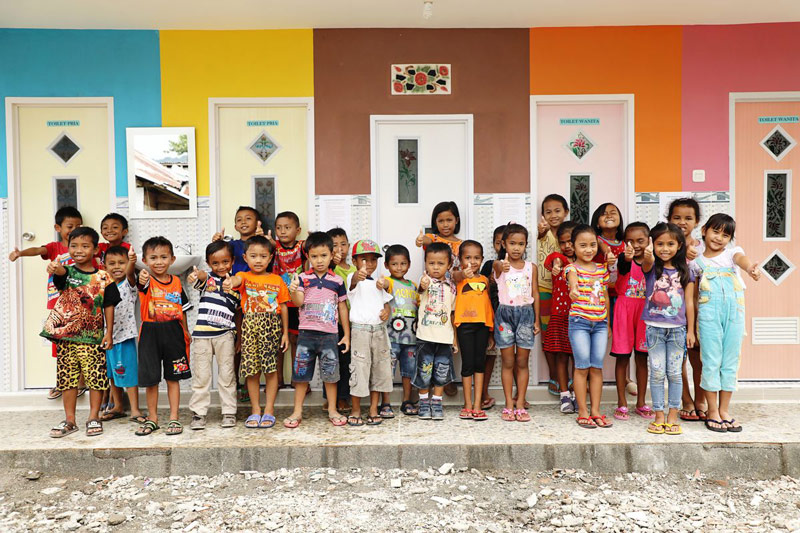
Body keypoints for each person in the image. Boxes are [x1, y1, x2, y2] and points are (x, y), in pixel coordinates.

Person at [40, 227, 120, 438]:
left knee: (96, 378)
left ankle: (93, 417)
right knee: (67, 379)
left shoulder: (104, 278)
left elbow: (109, 306)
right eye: (74, 246)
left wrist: (108, 333)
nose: (78, 250)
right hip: (66, 338)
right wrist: (54, 267)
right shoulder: (67, 272)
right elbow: (59, 274)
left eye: (85, 246)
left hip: (93, 339)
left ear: (95, 250)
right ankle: (70, 420)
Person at [8, 205, 85, 400]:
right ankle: (63, 381)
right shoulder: (55, 248)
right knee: (60, 345)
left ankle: (82, 383)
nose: (74, 230)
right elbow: (38, 249)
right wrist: (20, 253)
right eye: (69, 226)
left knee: (82, 343)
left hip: (79, 304)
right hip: (57, 305)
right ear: (58, 228)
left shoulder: (84, 248)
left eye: (78, 226)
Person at [694, 214, 760, 433]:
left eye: (725, 235)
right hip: (708, 316)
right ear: (704, 230)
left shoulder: (732, 254)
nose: (719, 238)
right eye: (715, 231)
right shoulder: (696, 262)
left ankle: (724, 411)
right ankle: (712, 411)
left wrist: (750, 268)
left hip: (734, 314)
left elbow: (743, 260)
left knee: (731, 361)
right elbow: (692, 296)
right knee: (711, 361)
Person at [285, 232, 350, 428]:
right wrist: (293, 290)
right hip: (306, 334)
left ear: (332, 255)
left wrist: (346, 334)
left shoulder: (337, 281)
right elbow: (299, 302)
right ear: (308, 257)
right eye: (314, 256)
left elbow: (342, 307)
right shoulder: (303, 278)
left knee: (330, 375)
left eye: (323, 255)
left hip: (330, 335)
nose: (319, 260)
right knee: (301, 375)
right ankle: (297, 411)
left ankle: (332, 409)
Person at [225, 236, 290, 430]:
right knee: (251, 371)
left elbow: (284, 307)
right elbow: (236, 280)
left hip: (272, 327)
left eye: (263, 256)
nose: (258, 260)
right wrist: (230, 281)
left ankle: (269, 409)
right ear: (245, 258)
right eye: (253, 256)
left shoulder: (277, 280)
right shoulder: (244, 277)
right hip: (250, 328)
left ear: (271, 258)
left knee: (271, 370)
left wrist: (286, 333)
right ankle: (255, 409)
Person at [641, 223, 696, 435]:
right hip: (654, 329)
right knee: (656, 373)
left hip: (677, 330)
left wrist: (690, 330)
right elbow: (647, 261)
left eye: (670, 244)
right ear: (652, 245)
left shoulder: (687, 270)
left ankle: (673, 415)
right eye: (659, 244)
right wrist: (647, 252)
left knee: (674, 373)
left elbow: (689, 303)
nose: (665, 248)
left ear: (679, 245)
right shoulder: (652, 267)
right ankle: (658, 416)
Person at [135, 237, 192, 436]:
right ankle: (153, 419)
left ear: (172, 259)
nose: (159, 262)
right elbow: (138, 283)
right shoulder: (145, 280)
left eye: (163, 257)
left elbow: (182, 309)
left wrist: (185, 331)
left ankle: (174, 418)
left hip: (174, 333)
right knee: (151, 380)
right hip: (150, 333)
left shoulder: (176, 282)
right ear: (145, 260)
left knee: (173, 378)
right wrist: (141, 278)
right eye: (153, 258)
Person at [186, 241, 241, 430]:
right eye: (215, 263)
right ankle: (199, 414)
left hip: (225, 335)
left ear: (233, 261)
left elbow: (239, 313)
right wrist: (196, 274)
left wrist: (239, 338)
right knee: (202, 376)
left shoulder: (236, 283)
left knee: (227, 375)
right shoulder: (207, 280)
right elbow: (199, 276)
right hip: (202, 336)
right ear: (209, 264)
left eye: (225, 261)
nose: (221, 266)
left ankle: (229, 412)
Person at [565, 224, 612, 429]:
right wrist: (573, 290)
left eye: (592, 245)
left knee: (596, 366)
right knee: (582, 365)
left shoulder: (602, 269)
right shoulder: (571, 268)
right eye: (582, 245)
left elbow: (606, 297)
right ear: (573, 247)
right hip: (579, 323)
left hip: (600, 324)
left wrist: (607, 323)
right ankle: (583, 410)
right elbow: (572, 282)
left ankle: (596, 411)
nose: (588, 249)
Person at [493, 223, 540, 422]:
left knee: (522, 361)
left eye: (521, 244)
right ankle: (508, 403)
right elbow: (496, 269)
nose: (516, 248)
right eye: (512, 243)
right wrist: (499, 266)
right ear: (503, 244)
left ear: (526, 245)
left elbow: (534, 293)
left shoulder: (531, 268)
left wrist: (537, 320)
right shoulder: (499, 265)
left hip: (526, 315)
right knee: (508, 361)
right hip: (505, 315)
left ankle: (520, 402)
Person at [345, 240, 394, 426]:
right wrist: (358, 275)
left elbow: (386, 303)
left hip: (379, 331)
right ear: (355, 260)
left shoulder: (378, 282)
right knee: (359, 369)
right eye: (364, 259)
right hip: (360, 331)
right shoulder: (353, 278)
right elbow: (354, 282)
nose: (369, 264)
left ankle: (374, 408)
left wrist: (387, 310)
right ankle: (356, 409)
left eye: (373, 260)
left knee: (379, 369)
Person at [667, 197, 706, 422]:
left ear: (697, 221)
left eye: (688, 218)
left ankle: (700, 399)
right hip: (671, 312)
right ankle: (686, 400)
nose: (682, 222)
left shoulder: (703, 247)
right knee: (676, 359)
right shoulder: (666, 244)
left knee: (698, 357)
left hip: (698, 310)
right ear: (669, 219)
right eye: (677, 217)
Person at [610, 222, 654, 421]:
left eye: (640, 241)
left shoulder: (652, 261)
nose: (635, 245)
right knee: (622, 357)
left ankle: (642, 402)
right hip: (624, 311)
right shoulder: (623, 259)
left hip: (645, 312)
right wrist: (626, 257)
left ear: (649, 241)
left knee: (642, 358)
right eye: (630, 241)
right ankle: (621, 402)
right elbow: (624, 264)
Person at [98, 245, 145, 425]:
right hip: (106, 337)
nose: (117, 266)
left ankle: (134, 409)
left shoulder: (128, 284)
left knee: (129, 373)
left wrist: (132, 263)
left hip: (125, 337)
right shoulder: (103, 286)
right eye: (112, 263)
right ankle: (118, 406)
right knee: (111, 374)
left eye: (121, 263)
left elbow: (131, 274)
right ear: (104, 266)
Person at [413, 242, 458, 421]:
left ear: (448, 265)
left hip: (445, 338)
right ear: (426, 264)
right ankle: (424, 401)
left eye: (440, 263)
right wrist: (423, 284)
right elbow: (420, 291)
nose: (436, 267)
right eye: (431, 263)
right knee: (424, 371)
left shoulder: (451, 288)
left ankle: (437, 401)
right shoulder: (425, 282)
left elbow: (453, 314)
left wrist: (455, 339)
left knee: (441, 371)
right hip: (425, 337)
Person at [454, 240, 494, 421]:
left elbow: (489, 306)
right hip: (464, 325)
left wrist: (491, 331)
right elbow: (455, 276)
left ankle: (478, 404)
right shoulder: (458, 277)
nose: (473, 261)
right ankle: (467, 404)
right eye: (468, 257)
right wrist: (463, 273)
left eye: (477, 258)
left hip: (483, 326)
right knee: (467, 364)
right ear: (460, 259)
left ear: (482, 259)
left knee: (480, 364)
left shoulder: (485, 280)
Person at [267, 211, 307, 390]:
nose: (282, 231)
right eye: (279, 228)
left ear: (297, 230)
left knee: (296, 340)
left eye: (287, 228)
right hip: (278, 301)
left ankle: (298, 379)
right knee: (277, 341)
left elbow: (316, 249)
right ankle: (277, 380)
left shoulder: (302, 247)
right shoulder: (272, 246)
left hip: (297, 300)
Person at [543, 221, 578, 413]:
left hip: (581, 316)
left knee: (579, 358)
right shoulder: (559, 259)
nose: (567, 246)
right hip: (560, 315)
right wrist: (557, 264)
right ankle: (565, 395)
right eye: (563, 242)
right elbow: (553, 261)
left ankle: (577, 394)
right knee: (562, 356)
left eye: (571, 241)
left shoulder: (585, 263)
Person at [537, 194, 570, 396]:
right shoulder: (543, 232)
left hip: (568, 293)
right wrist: (542, 231)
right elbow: (540, 235)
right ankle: (553, 374)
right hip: (545, 289)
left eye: (557, 211)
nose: (553, 215)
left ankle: (569, 375)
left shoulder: (570, 235)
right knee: (547, 335)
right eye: (548, 212)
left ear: (566, 212)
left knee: (569, 334)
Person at [383, 244, 420, 416]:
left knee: (408, 371)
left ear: (409, 264)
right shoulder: (388, 282)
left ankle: (407, 401)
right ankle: (386, 403)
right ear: (386, 266)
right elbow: (382, 286)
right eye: (394, 264)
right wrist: (381, 282)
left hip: (411, 338)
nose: (399, 267)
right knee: (387, 371)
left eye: (403, 264)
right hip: (391, 337)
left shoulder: (413, 286)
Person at [325, 227, 356, 413]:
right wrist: (332, 265)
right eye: (334, 245)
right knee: (329, 361)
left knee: (345, 362)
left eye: (343, 244)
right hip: (330, 322)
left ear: (349, 246)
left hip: (348, 323)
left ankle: (343, 398)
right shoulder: (328, 269)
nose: (339, 249)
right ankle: (329, 399)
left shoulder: (353, 269)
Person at [479, 225, 505, 410]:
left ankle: (518, 394)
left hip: (511, 316)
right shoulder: (489, 264)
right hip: (489, 314)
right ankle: (482, 391)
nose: (503, 247)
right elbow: (481, 288)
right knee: (487, 353)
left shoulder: (521, 266)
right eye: (498, 243)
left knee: (509, 355)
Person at [591, 203, 625, 324]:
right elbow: (601, 244)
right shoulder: (594, 240)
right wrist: (607, 252)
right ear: (597, 223)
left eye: (613, 213)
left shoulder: (624, 243)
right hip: (600, 294)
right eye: (604, 214)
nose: (609, 216)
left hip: (620, 294)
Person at [211, 205, 266, 275]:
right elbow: (220, 255)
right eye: (239, 220)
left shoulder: (264, 243)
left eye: (248, 218)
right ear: (235, 227)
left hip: (258, 283)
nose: (243, 222)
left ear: (257, 223)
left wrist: (263, 239)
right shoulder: (232, 245)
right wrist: (218, 242)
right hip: (238, 283)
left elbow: (273, 247)